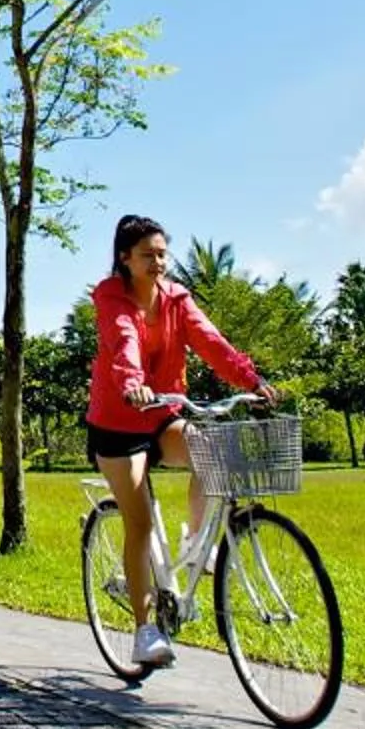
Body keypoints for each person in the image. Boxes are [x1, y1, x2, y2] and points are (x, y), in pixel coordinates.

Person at [86, 213, 273, 667]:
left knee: (212, 452)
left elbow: (210, 341)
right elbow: (122, 339)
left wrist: (250, 380)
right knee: (141, 523)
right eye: (148, 255)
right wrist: (133, 382)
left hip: (163, 415)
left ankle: (195, 543)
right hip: (117, 424)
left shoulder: (177, 299)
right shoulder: (112, 296)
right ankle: (143, 630)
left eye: (163, 254)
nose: (158, 263)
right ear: (125, 259)